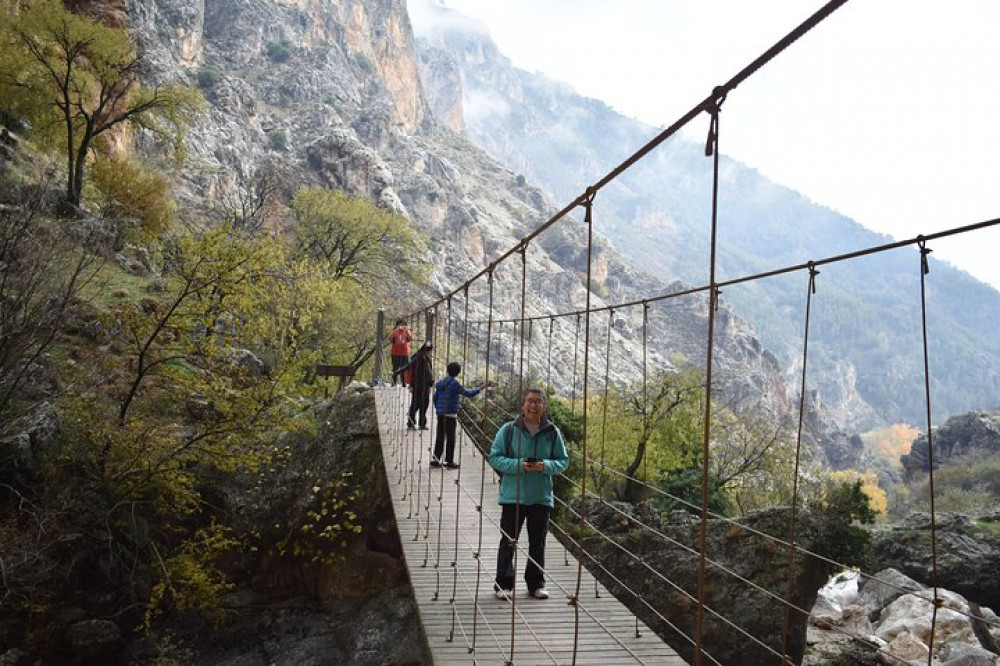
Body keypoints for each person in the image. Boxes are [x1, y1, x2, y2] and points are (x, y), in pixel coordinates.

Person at [488, 388, 569, 601]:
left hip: (540, 496)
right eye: (530, 401)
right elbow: (495, 458)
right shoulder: (508, 430)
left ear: (544, 406)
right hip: (513, 496)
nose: (533, 406)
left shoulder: (552, 432)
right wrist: (520, 465)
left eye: (538, 402)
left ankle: (536, 584)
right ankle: (503, 584)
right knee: (508, 540)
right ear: (523, 405)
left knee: (538, 542)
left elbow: (563, 461)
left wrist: (545, 465)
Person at [431, 362, 485, 469]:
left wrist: (438, 409)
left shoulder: (441, 383)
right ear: (458, 372)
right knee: (451, 438)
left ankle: (436, 459)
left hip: (441, 414)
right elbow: (468, 393)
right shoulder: (455, 384)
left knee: (440, 437)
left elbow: (435, 397)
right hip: (450, 415)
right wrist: (480, 388)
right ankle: (449, 461)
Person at [401, 341, 434, 429]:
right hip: (418, 385)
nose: (431, 351)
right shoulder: (419, 357)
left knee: (424, 403)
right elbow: (409, 366)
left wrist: (430, 382)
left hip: (425, 385)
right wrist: (397, 372)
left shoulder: (425, 357)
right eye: (431, 349)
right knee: (417, 403)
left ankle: (421, 423)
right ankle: (411, 422)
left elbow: (428, 371)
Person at [388, 319, 412, 387]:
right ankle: (393, 382)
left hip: (404, 353)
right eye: (400, 324)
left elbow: (410, 338)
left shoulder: (407, 331)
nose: (401, 326)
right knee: (395, 368)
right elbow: (390, 339)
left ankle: (404, 383)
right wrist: (395, 330)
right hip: (395, 353)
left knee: (404, 368)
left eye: (403, 324)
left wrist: (407, 330)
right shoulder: (394, 331)